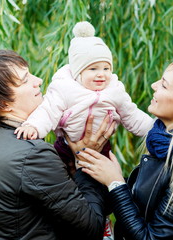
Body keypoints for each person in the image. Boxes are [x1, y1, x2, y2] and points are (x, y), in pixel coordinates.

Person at [0, 49, 116, 240]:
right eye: (25, 79)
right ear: (3, 104)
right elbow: (91, 227)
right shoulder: (32, 154)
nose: (39, 81)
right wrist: (86, 160)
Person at [75, 59, 173, 239]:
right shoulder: (164, 143)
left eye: (164, 85)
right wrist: (90, 162)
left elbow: (150, 237)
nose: (153, 85)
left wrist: (115, 183)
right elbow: (144, 205)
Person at [15, 21, 153, 158]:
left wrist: (154, 129)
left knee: (99, 174)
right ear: (78, 73)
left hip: (102, 145)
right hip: (66, 145)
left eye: (106, 68)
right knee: (58, 170)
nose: (101, 74)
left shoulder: (115, 90)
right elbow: (48, 110)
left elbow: (131, 114)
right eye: (93, 69)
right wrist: (33, 126)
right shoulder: (65, 88)